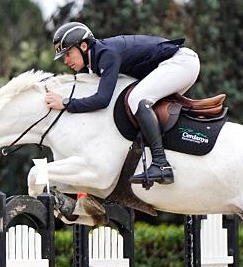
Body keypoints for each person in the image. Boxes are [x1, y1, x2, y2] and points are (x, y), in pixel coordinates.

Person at [45, 21, 200, 186]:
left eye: (68, 53)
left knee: (136, 99)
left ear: (83, 46)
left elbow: (102, 100)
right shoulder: (95, 59)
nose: (65, 60)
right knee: (139, 106)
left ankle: (161, 164)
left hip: (181, 63)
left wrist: (66, 103)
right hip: (176, 65)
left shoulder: (106, 54)